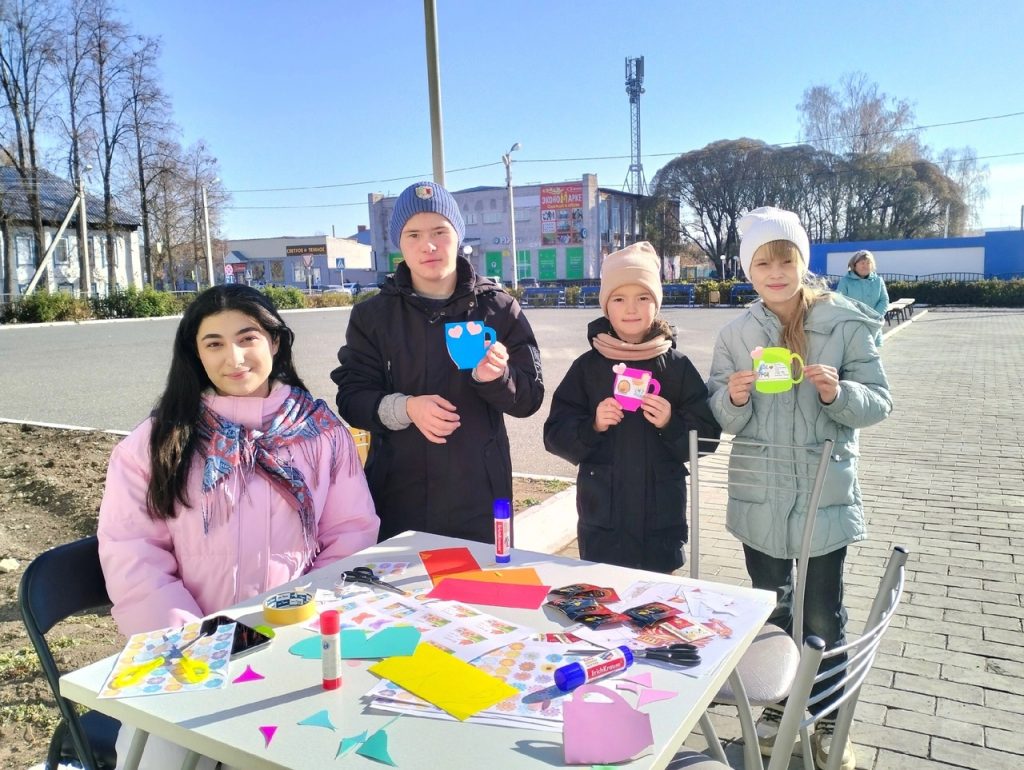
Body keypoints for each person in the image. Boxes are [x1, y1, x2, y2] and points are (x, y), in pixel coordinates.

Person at [98, 284, 379, 769]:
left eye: (248, 338)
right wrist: (195, 644)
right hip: (186, 649)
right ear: (196, 353)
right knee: (166, 756)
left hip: (297, 640)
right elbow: (133, 554)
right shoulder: (158, 441)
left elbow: (349, 533)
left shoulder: (321, 432)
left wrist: (304, 620)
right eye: (214, 343)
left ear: (275, 341)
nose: (234, 357)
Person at [706, 207, 891, 770]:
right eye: (762, 263)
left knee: (822, 614)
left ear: (801, 263)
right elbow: (720, 415)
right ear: (749, 270)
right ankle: (778, 707)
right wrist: (733, 398)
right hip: (759, 495)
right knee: (772, 606)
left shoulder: (845, 324)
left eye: (785, 260)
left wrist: (838, 394)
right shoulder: (737, 334)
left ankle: (829, 720)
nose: (775, 273)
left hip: (821, 496)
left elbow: (878, 403)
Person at [332, 181, 544, 543]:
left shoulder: (498, 308)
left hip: (480, 497)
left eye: (439, 232)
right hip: (397, 499)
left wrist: (497, 377)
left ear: (458, 235)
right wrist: (406, 408)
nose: (428, 245)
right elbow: (352, 398)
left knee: (482, 580)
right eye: (413, 234)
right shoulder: (373, 316)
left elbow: (529, 399)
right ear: (399, 243)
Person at [543, 241, 721, 572]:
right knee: (604, 597)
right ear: (605, 307)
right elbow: (554, 434)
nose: (631, 308)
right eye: (619, 299)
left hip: (661, 525)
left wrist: (671, 423)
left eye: (642, 297)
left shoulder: (676, 366)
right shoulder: (587, 367)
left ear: (657, 303)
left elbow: (708, 437)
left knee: (657, 599)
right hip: (603, 525)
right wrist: (593, 426)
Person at [835, 249, 889, 346]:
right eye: (862, 263)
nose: (865, 266)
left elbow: (884, 300)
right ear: (854, 265)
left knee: (872, 352)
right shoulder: (845, 281)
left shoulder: (878, 281)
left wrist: (874, 317)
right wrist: (856, 317)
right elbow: (839, 301)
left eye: (868, 263)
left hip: (873, 324)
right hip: (852, 326)